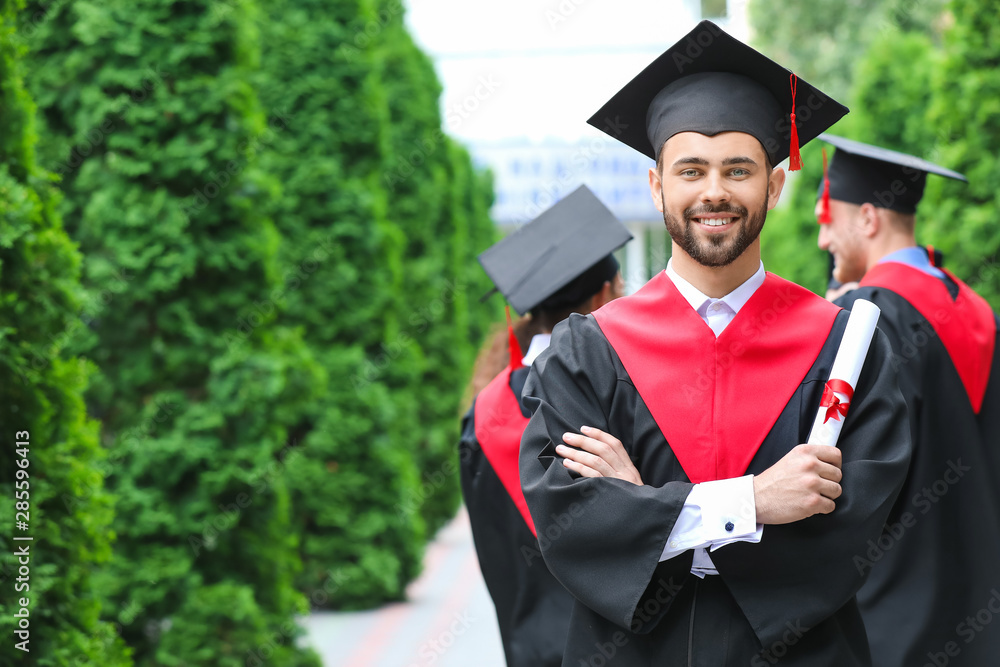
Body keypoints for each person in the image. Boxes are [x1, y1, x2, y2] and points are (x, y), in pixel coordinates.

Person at [519, 21, 912, 665]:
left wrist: (645, 509)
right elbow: (568, 516)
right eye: (691, 170)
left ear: (776, 185)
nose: (714, 192)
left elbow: (858, 527)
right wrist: (751, 503)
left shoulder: (847, 347)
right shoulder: (587, 352)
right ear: (657, 186)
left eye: (739, 169)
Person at [815, 133, 1000, 666]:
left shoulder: (868, 318)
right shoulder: (974, 307)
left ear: (868, 219)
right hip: (979, 608)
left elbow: (831, 470)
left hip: (894, 616)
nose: (823, 236)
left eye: (829, 219)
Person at [459, 185, 632, 667]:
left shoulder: (485, 412)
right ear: (603, 295)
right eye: (620, 290)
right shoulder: (617, 400)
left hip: (529, 647)